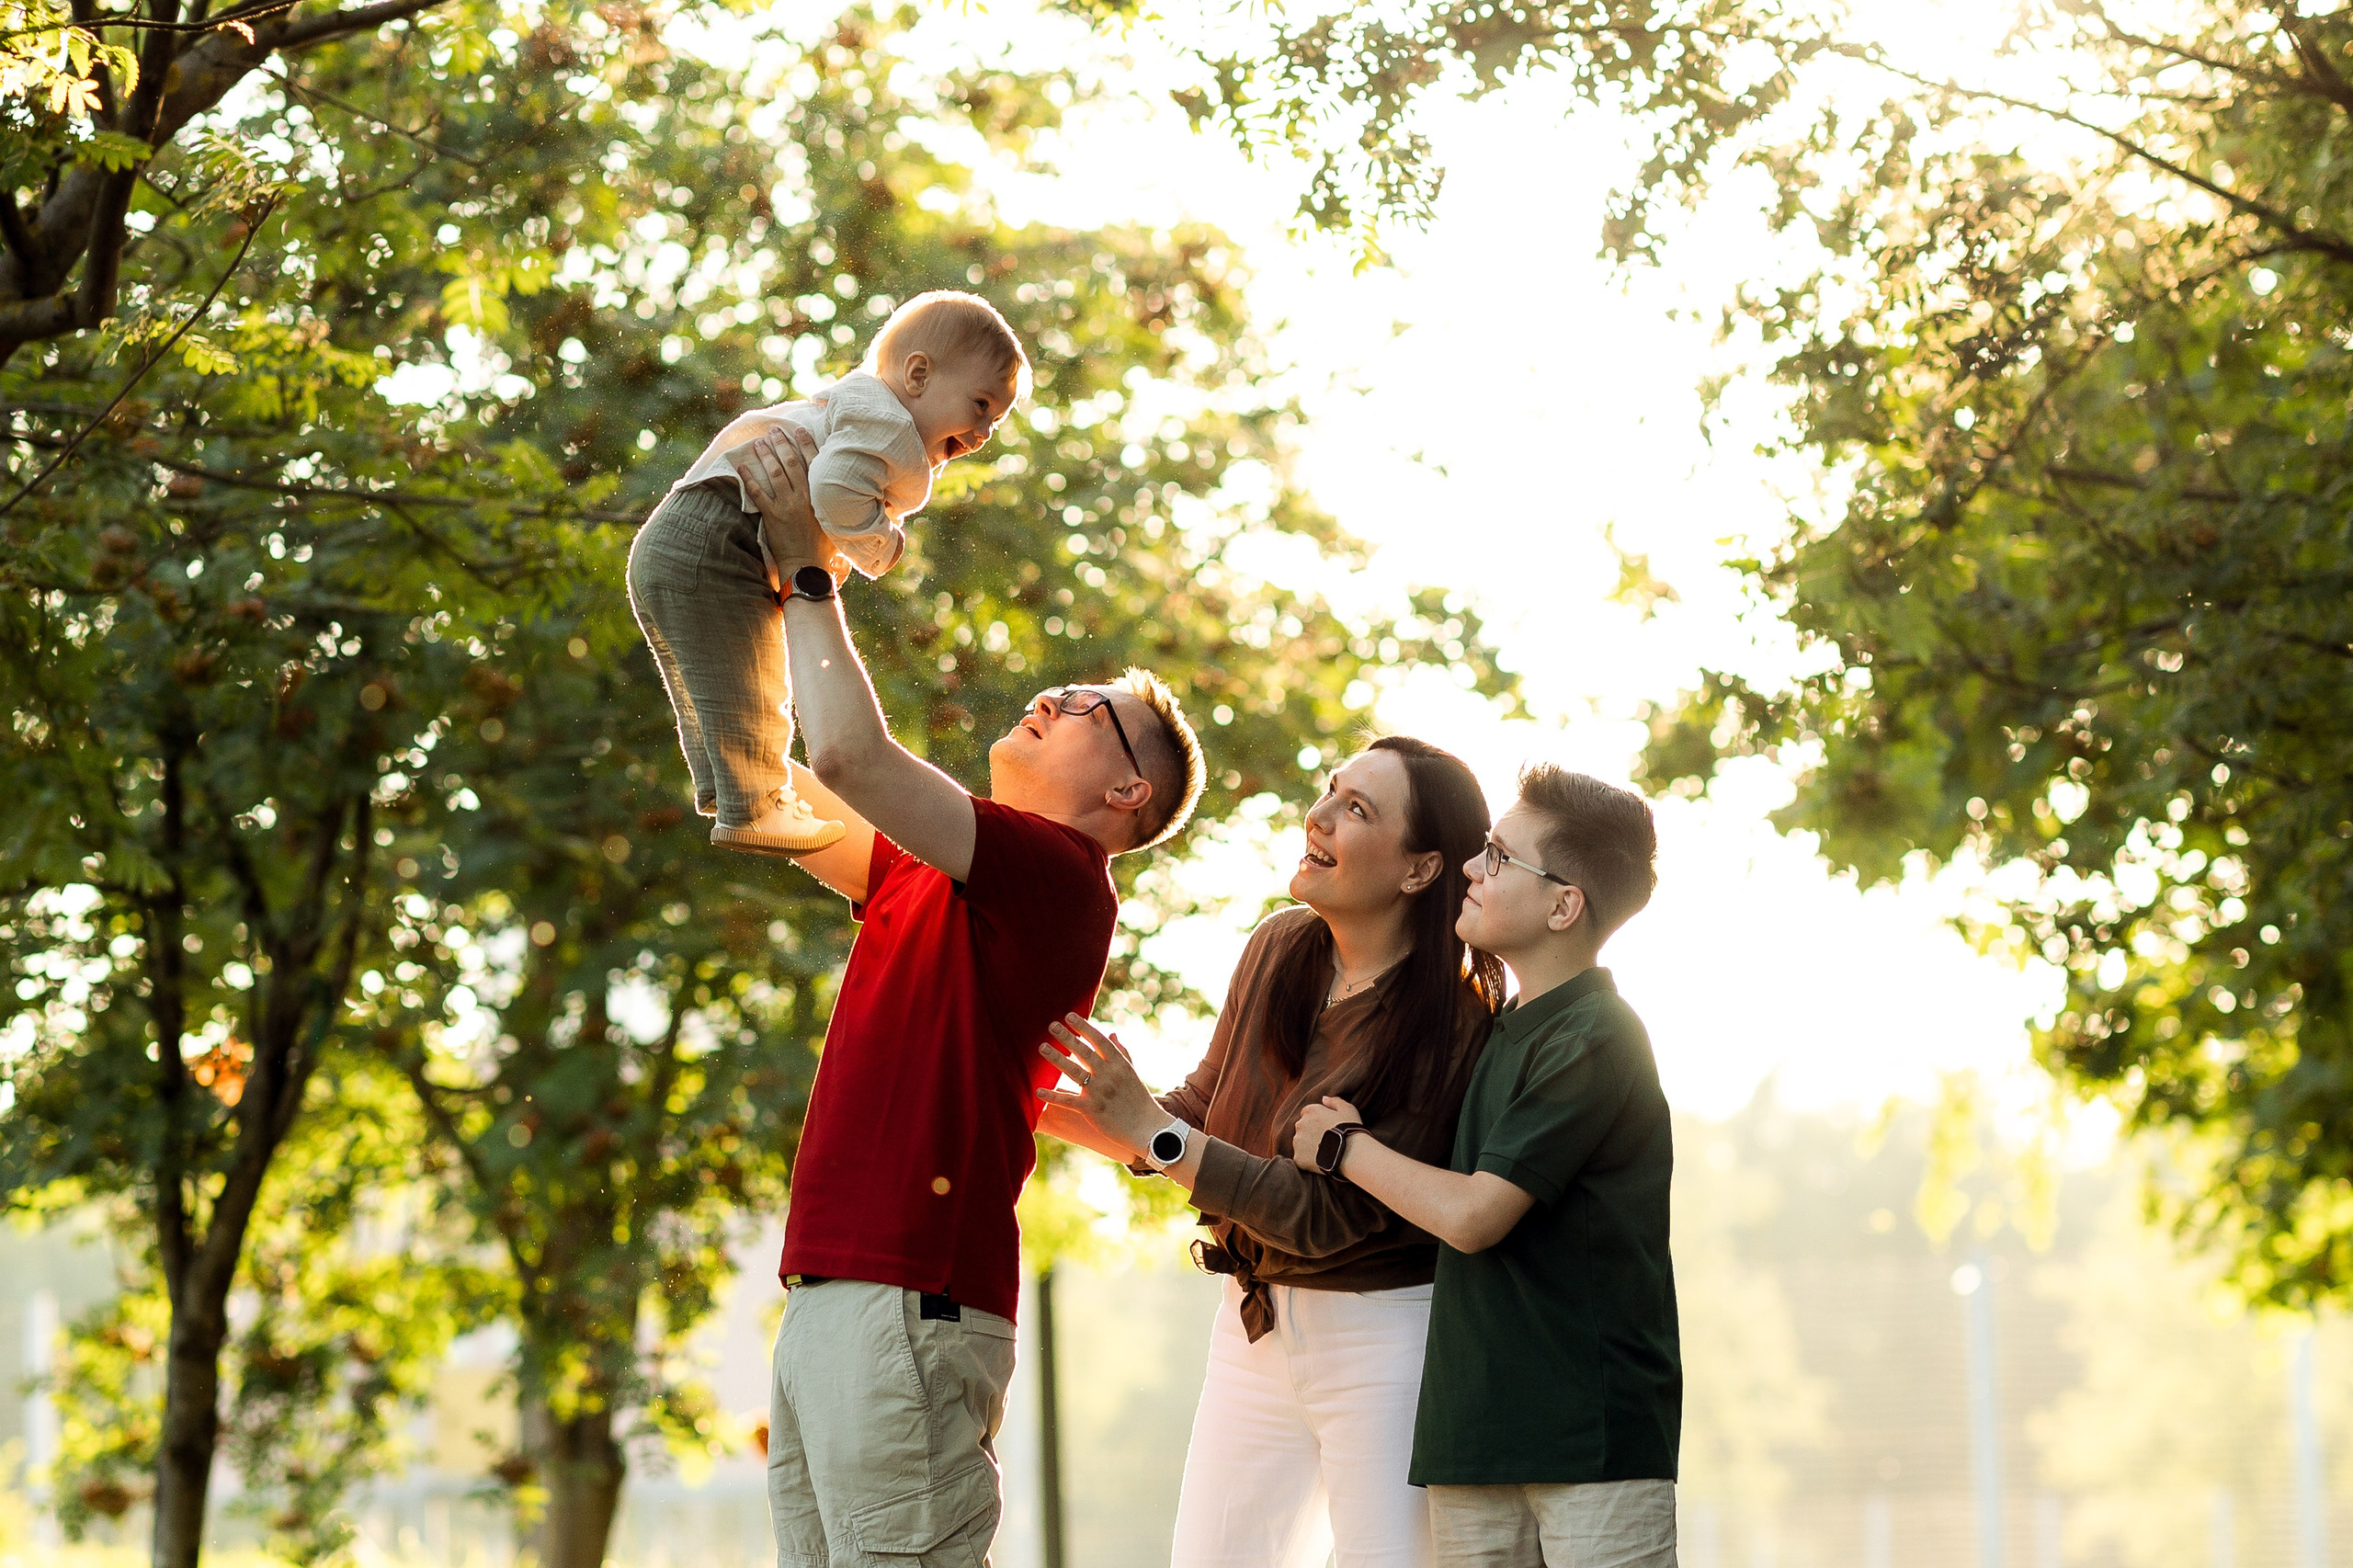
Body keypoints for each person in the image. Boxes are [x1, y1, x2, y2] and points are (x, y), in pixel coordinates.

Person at [726, 428, 1208, 1567]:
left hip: (908, 1294)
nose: (1055, 694)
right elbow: (761, 782)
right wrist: (721, 588)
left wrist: (809, 570)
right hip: (842, 1297)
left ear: (1127, 791)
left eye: (1089, 707)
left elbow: (847, 756)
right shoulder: (932, 869)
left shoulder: (1054, 875)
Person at [1037, 736, 1506, 1568]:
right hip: (1254, 1327)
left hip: (1384, 1344)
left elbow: (1319, 1215)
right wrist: (1024, 1099)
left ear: (1420, 870)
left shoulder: (1453, 1023)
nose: (1317, 816)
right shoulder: (1280, 945)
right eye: (1330, 792)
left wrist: (1155, 1130)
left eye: (1357, 810)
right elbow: (1196, 1112)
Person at [1290, 765, 1677, 1568]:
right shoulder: (1497, 1029)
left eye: (1498, 858)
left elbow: (1474, 1215)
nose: (1470, 865)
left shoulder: (1597, 1036)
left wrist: (1344, 1147)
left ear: (1564, 904)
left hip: (1588, 1444)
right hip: (1472, 1442)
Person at [626, 290, 1028, 856]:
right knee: (758, 679)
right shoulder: (886, 429)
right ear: (917, 375)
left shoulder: (854, 409)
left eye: (996, 421)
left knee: (716, 680)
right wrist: (879, 546)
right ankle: (756, 807)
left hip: (678, 540)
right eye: (981, 405)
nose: (984, 433)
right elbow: (835, 492)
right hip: (716, 540)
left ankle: (731, 790)